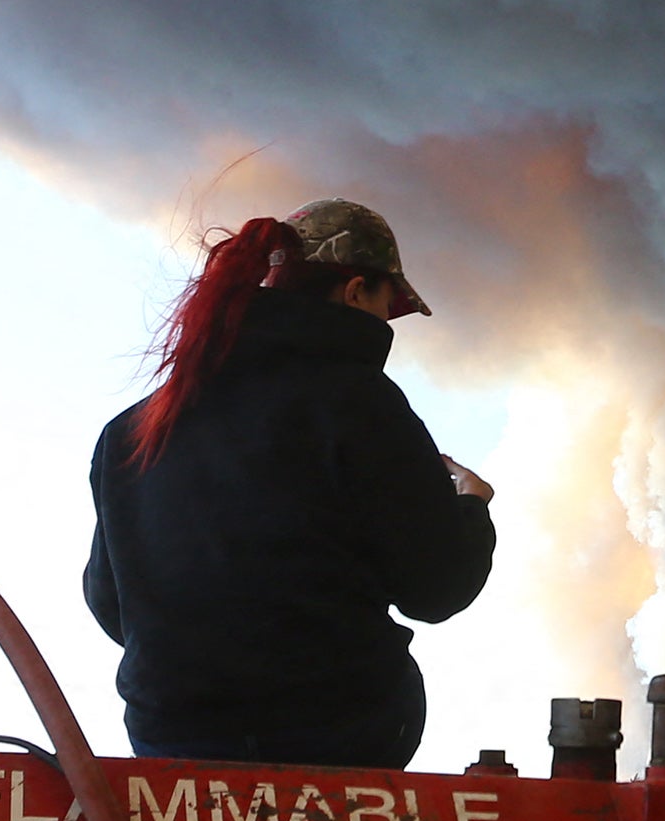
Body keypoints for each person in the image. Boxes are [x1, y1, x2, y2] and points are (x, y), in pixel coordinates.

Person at [83, 198, 497, 771]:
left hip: (171, 741)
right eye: (386, 305)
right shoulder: (360, 404)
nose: (386, 326)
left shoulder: (133, 429)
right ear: (354, 293)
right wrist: (471, 508)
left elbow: (112, 607)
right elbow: (436, 588)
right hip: (344, 737)